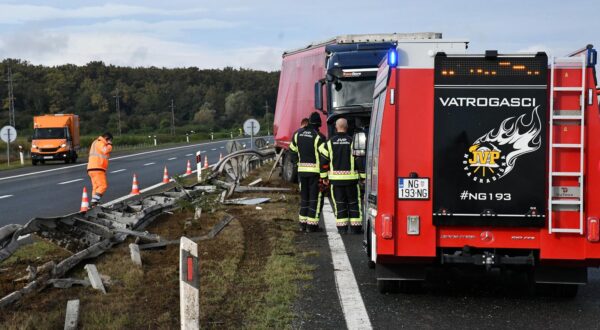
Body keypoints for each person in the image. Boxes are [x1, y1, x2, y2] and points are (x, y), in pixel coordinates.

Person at [319, 118, 364, 234]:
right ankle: (356, 228)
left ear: (336, 127)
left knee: (340, 204)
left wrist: (324, 177)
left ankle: (342, 229)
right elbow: (359, 161)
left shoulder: (329, 143)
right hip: (352, 181)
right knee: (354, 203)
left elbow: (323, 161)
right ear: (347, 127)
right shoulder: (353, 141)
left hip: (336, 182)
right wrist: (363, 177)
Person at [289, 112, 327, 232]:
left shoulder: (297, 134)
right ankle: (312, 226)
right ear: (319, 124)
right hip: (315, 174)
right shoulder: (318, 137)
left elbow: (292, 150)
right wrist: (324, 174)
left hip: (301, 173)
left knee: (304, 198)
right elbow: (325, 155)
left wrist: (296, 164)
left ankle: (302, 224)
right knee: (314, 199)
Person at [87, 132, 113, 207]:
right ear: (107, 138)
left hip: (91, 168)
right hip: (98, 168)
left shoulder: (95, 142)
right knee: (103, 186)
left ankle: (94, 205)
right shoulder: (100, 142)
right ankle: (94, 201)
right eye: (110, 140)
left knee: (96, 187)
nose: (110, 142)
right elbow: (105, 150)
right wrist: (109, 145)